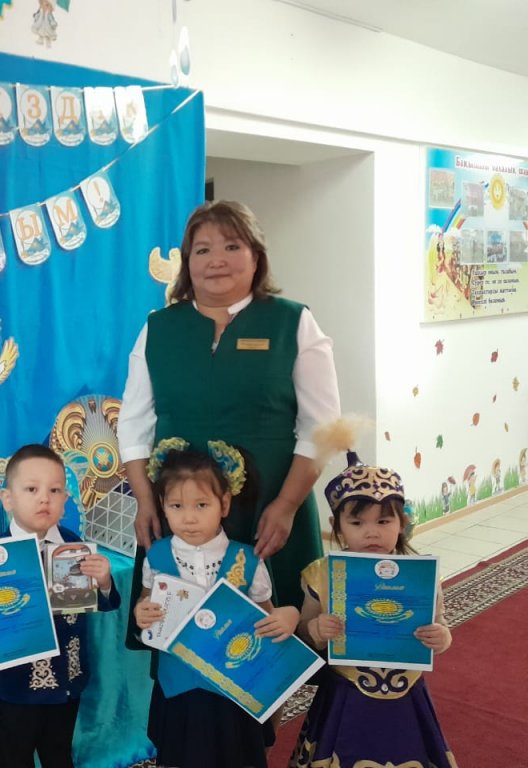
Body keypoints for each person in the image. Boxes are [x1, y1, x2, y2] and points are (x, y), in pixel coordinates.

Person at [119, 200, 341, 614]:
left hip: (270, 503)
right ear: (188, 263)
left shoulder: (292, 322)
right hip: (181, 506)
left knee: (276, 626)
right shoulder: (159, 328)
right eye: (202, 250)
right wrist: (146, 501)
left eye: (232, 246)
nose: (216, 260)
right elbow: (133, 425)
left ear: (256, 256)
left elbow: (322, 428)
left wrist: (286, 505)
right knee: (177, 622)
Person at [290, 422, 456, 768]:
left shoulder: (421, 576)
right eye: (357, 523)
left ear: (401, 524)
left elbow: (441, 624)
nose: (371, 533)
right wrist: (315, 630)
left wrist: (442, 637)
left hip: (406, 695)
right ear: (337, 527)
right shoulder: (321, 575)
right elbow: (303, 631)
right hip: (345, 695)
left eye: (383, 522)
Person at [0, 444, 120, 768]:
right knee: (15, 757)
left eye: (55, 490)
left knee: (59, 754)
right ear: (7, 498)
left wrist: (104, 582)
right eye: (31, 489)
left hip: (68, 678)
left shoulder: (75, 546)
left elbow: (101, 602)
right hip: (19, 687)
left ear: (65, 498)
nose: (44, 499)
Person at [133, 441, 299, 768]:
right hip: (179, 687)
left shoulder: (247, 559)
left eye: (201, 505)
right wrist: (142, 612)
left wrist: (288, 616)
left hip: (233, 690)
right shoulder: (157, 555)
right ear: (162, 505)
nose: (189, 518)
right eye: (176, 506)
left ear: (224, 504)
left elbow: (268, 617)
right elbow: (146, 600)